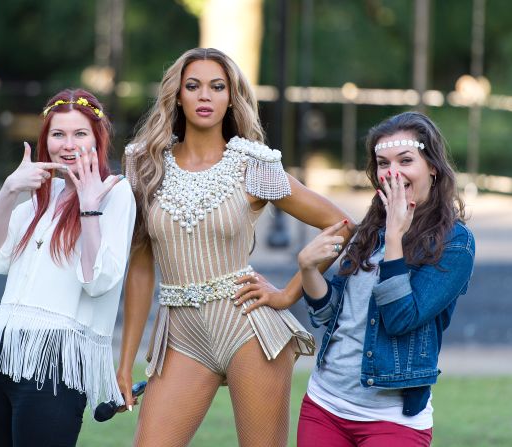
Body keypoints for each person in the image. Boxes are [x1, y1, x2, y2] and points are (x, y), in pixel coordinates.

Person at [117, 47, 355, 447]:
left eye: (217, 87)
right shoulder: (144, 164)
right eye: (193, 86)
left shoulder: (252, 165)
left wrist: (289, 292)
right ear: (177, 95)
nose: (205, 96)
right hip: (180, 336)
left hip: (249, 330)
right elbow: (140, 268)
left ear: (231, 97)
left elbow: (341, 224)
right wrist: (124, 362)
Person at [294, 111, 475, 447]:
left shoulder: (455, 243)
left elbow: (400, 319)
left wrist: (395, 239)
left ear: (432, 167)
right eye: (382, 163)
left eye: (405, 160)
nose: (392, 172)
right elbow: (329, 315)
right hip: (324, 406)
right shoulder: (370, 231)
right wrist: (307, 269)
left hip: (393, 420)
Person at [0, 88, 136, 446]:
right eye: (58, 134)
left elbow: (98, 280)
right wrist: (9, 190)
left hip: (55, 367)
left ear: (98, 138)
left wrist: (89, 208)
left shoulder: (116, 193)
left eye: (80, 133)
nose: (67, 143)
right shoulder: (41, 197)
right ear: (46, 140)